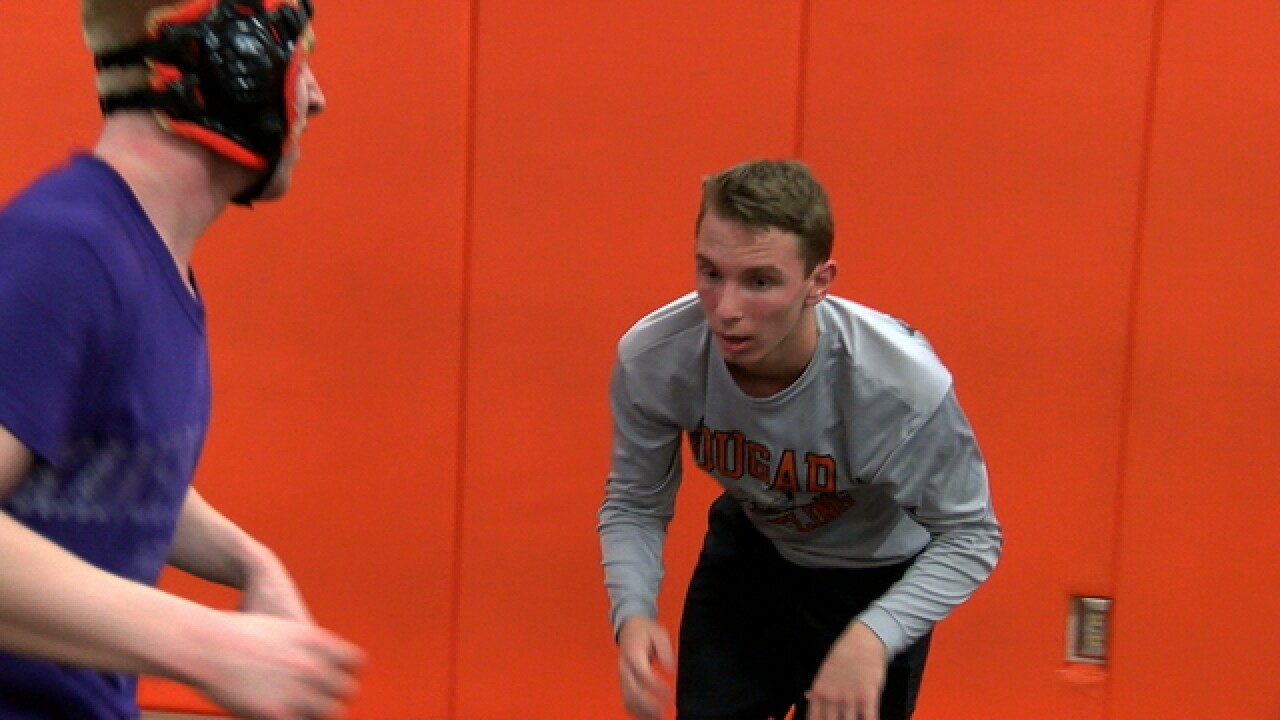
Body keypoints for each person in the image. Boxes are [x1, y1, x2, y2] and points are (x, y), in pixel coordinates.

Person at [0, 1, 363, 718]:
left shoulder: (138, 255)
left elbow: (100, 462)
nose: (315, 97)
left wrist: (247, 562)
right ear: (233, 65)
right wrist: (205, 646)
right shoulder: (66, 250)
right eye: (296, 57)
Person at [598, 159, 1002, 720]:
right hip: (753, 558)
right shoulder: (658, 357)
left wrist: (873, 637)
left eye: (760, 282)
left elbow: (971, 537)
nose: (726, 310)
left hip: (872, 577)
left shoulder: (897, 386)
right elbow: (635, 501)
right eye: (710, 273)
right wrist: (634, 612)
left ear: (818, 283)